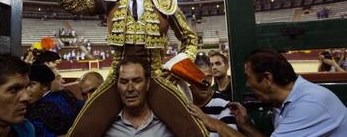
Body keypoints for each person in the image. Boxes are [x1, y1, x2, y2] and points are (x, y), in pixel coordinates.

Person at [58, 0, 208, 136]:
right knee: (80, 132)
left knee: (194, 132)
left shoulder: (165, 2)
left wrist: (177, 68)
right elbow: (69, 2)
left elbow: (189, 39)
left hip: (155, 77)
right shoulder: (108, 0)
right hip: (117, 78)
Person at [200, 49, 347, 137]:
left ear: (267, 78)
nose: (247, 84)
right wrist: (246, 125)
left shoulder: (309, 104)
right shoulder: (290, 100)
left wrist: (218, 125)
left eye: (248, 78)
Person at [104, 57, 173, 137]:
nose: (130, 89)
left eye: (137, 81)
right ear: (117, 85)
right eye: (124, 82)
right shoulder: (105, 126)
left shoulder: (168, 124)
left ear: (147, 84)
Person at [26, 64, 84, 136]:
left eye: (31, 85)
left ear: (45, 86)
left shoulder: (35, 112)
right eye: (24, 86)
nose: (26, 90)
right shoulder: (65, 94)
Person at [190, 53, 238, 137]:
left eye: (208, 77)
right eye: (199, 76)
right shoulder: (181, 100)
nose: (205, 82)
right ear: (189, 77)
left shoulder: (223, 104)